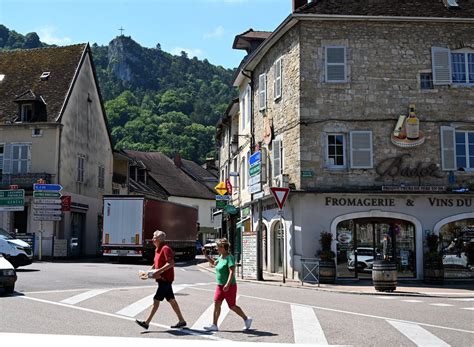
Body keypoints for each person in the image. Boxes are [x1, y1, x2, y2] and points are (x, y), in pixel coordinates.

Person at [135, 230, 187, 330]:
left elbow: (171, 263)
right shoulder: (157, 249)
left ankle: (146, 323)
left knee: (156, 299)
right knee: (171, 300)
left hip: (165, 279)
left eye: (154, 237)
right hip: (161, 279)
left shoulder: (165, 249)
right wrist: (147, 273)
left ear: (159, 239)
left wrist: (158, 271)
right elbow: (156, 263)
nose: (152, 239)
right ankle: (182, 320)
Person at [202, 238, 252, 332]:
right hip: (220, 285)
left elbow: (231, 272)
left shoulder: (230, 257)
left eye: (218, 247)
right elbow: (214, 263)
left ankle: (246, 319)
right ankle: (214, 325)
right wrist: (205, 255)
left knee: (232, 306)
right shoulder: (221, 257)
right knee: (217, 303)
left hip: (230, 286)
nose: (217, 249)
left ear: (223, 247)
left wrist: (228, 284)